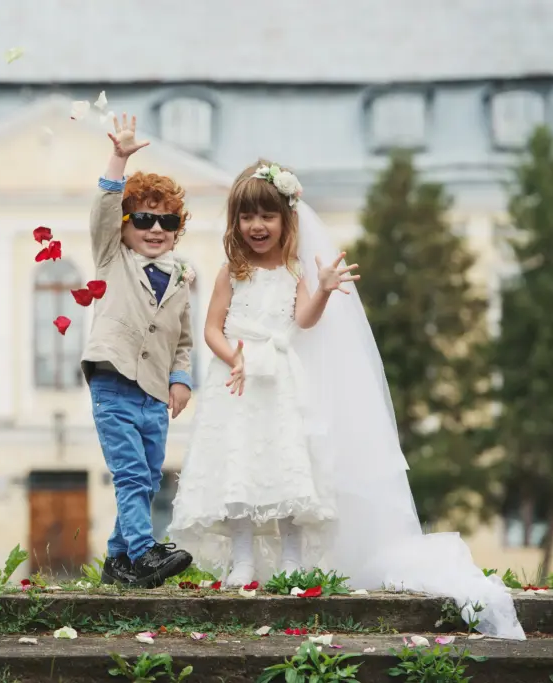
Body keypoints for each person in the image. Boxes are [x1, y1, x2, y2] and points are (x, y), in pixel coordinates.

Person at [169, 161, 525, 640]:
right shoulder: (230, 273)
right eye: (248, 217)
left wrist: (324, 291)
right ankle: (243, 558)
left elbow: (304, 321)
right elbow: (211, 326)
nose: (257, 226)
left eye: (267, 216)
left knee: (288, 463)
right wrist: (234, 356)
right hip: (238, 378)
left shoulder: (294, 271)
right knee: (238, 463)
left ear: (286, 219)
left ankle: (293, 557)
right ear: (236, 223)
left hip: (282, 379)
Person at [82, 113, 196, 588]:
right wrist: (119, 159)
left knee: (148, 480)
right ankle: (144, 552)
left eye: (166, 221)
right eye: (143, 219)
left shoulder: (181, 279)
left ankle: (117, 561)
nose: (154, 229)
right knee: (130, 476)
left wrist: (181, 379)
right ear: (126, 226)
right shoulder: (113, 257)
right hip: (114, 385)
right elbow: (105, 209)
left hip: (153, 395)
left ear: (176, 230)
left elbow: (183, 340)